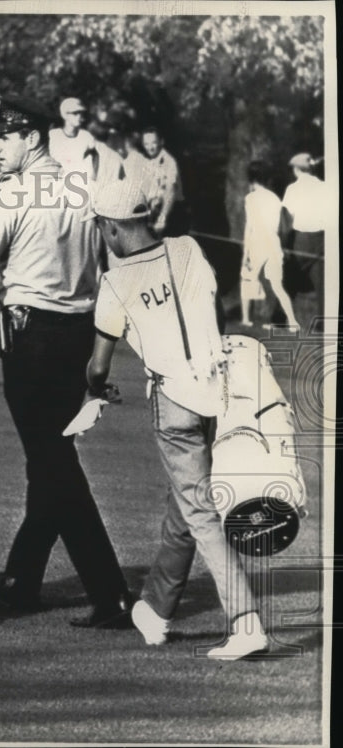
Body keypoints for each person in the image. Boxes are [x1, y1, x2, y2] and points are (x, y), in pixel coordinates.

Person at [0, 95, 134, 629]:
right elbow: (114, 259)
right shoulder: (84, 188)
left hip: (31, 335)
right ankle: (22, 578)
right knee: (49, 455)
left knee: (53, 461)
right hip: (80, 332)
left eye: (7, 137)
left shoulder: (14, 194)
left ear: (32, 139)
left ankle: (110, 591)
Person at [82, 177, 269, 660]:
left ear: (111, 228)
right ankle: (156, 611)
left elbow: (99, 364)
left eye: (101, 225)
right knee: (186, 506)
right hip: (219, 390)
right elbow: (216, 314)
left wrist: (94, 392)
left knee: (200, 512)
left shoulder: (115, 280)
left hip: (174, 402)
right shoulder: (188, 248)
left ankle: (246, 622)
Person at [240, 160, 300, 329]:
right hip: (273, 244)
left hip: (258, 243)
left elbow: (249, 227)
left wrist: (245, 254)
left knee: (246, 279)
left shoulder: (250, 198)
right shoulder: (275, 198)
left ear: (251, 179)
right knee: (277, 285)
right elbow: (279, 227)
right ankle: (293, 322)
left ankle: (245, 319)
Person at [280, 152, 327, 321]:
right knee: (322, 284)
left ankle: (279, 319)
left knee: (288, 278)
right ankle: (324, 323)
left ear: (296, 169)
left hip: (301, 238)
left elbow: (286, 219)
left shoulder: (293, 189)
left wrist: (284, 244)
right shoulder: (324, 186)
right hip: (322, 238)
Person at [141, 127, 185, 237]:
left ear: (161, 142)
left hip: (169, 214)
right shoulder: (148, 162)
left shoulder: (169, 162)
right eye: (146, 144)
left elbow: (171, 190)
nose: (150, 148)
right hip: (152, 213)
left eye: (153, 143)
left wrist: (162, 218)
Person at [48, 97, 96, 182]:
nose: (79, 117)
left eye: (81, 114)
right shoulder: (53, 135)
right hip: (54, 180)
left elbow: (92, 163)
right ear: (65, 114)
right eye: (75, 113)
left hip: (78, 182)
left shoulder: (86, 137)